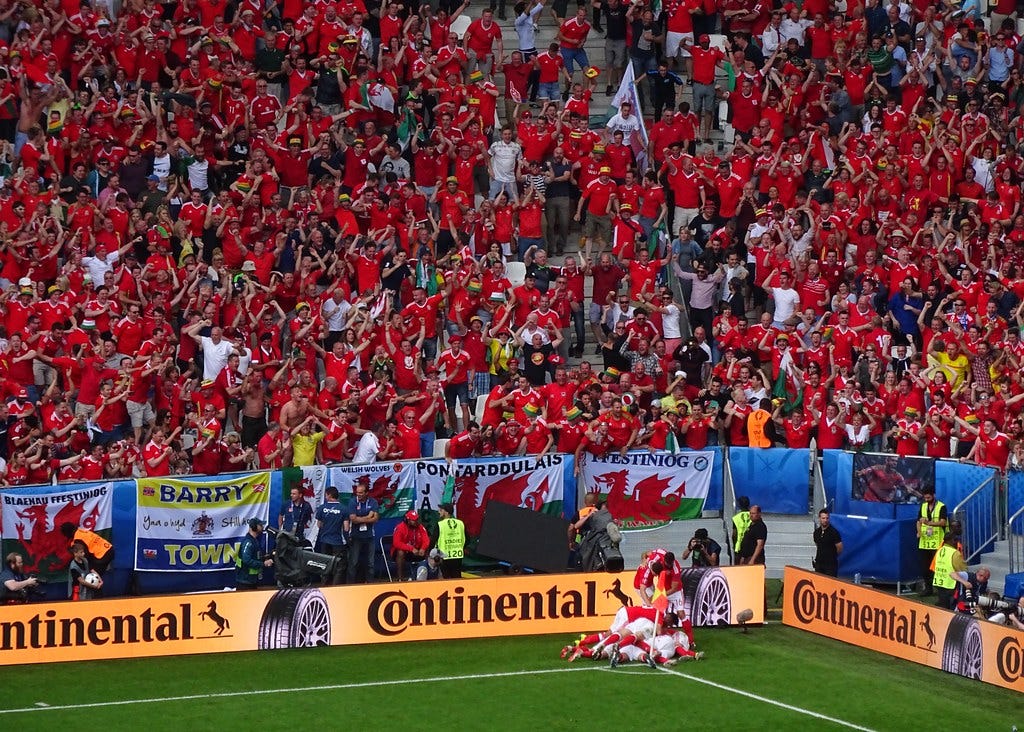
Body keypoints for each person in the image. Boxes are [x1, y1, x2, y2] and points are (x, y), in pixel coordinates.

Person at [348, 476, 380, 583]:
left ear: (366, 493)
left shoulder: (373, 502)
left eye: (361, 493)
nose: (359, 494)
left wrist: (361, 518)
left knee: (370, 562)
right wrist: (368, 517)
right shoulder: (353, 502)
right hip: (356, 536)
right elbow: (353, 519)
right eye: (357, 492)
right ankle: (350, 584)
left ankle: (370, 583)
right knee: (354, 562)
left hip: (369, 536)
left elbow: (375, 519)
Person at [315, 486, 349, 585]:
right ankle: (336, 586)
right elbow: (346, 528)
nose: (325, 497)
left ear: (329, 495)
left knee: (325, 564)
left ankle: (324, 585)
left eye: (326, 495)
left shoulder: (322, 508)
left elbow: (319, 525)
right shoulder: (344, 509)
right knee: (339, 566)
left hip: (325, 540)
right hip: (338, 541)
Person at [916, 487, 947, 596]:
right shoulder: (923, 506)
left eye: (928, 497)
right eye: (925, 497)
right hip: (925, 542)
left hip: (937, 542)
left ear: (934, 495)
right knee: (925, 568)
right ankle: (928, 589)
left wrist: (929, 523)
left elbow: (943, 522)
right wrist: (919, 532)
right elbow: (918, 521)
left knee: (938, 567)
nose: (926, 499)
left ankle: (940, 590)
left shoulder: (941, 506)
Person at [392, 510, 430, 581]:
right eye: (414, 520)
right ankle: (400, 578)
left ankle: (428, 574)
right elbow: (396, 543)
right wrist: (411, 549)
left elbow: (426, 540)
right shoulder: (400, 527)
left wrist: (423, 548)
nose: (416, 521)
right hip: (404, 552)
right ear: (408, 520)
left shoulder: (420, 527)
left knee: (427, 549)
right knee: (400, 552)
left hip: (416, 551)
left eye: (417, 519)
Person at [236, 518, 274, 590]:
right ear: (254, 526)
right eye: (260, 525)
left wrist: (265, 558)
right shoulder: (248, 542)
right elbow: (247, 560)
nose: (262, 527)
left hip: (251, 580)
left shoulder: (254, 540)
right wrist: (264, 564)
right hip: (245, 581)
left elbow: (256, 556)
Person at [931, 532, 965, 610]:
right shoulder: (955, 553)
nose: (957, 542)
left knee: (943, 606)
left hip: (940, 581)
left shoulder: (939, 550)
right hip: (951, 584)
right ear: (950, 541)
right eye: (955, 540)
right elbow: (962, 570)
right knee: (951, 608)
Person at [436, 502, 466, 579]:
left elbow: (433, 540)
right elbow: (467, 539)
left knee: (446, 579)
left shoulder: (440, 524)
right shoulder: (460, 523)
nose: (439, 511)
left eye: (441, 510)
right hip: (457, 555)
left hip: (444, 556)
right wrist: (460, 547)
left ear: (446, 512)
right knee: (457, 578)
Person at [812, 509, 843, 577]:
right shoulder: (816, 532)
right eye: (823, 518)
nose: (825, 520)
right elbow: (818, 545)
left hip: (830, 565)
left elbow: (839, 548)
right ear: (819, 518)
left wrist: (831, 555)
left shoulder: (834, 532)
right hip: (819, 563)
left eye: (827, 518)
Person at [731, 496, 751, 564]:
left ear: (739, 505)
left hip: (739, 545)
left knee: (738, 566)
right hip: (751, 545)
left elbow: (734, 534)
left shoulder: (736, 518)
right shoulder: (753, 516)